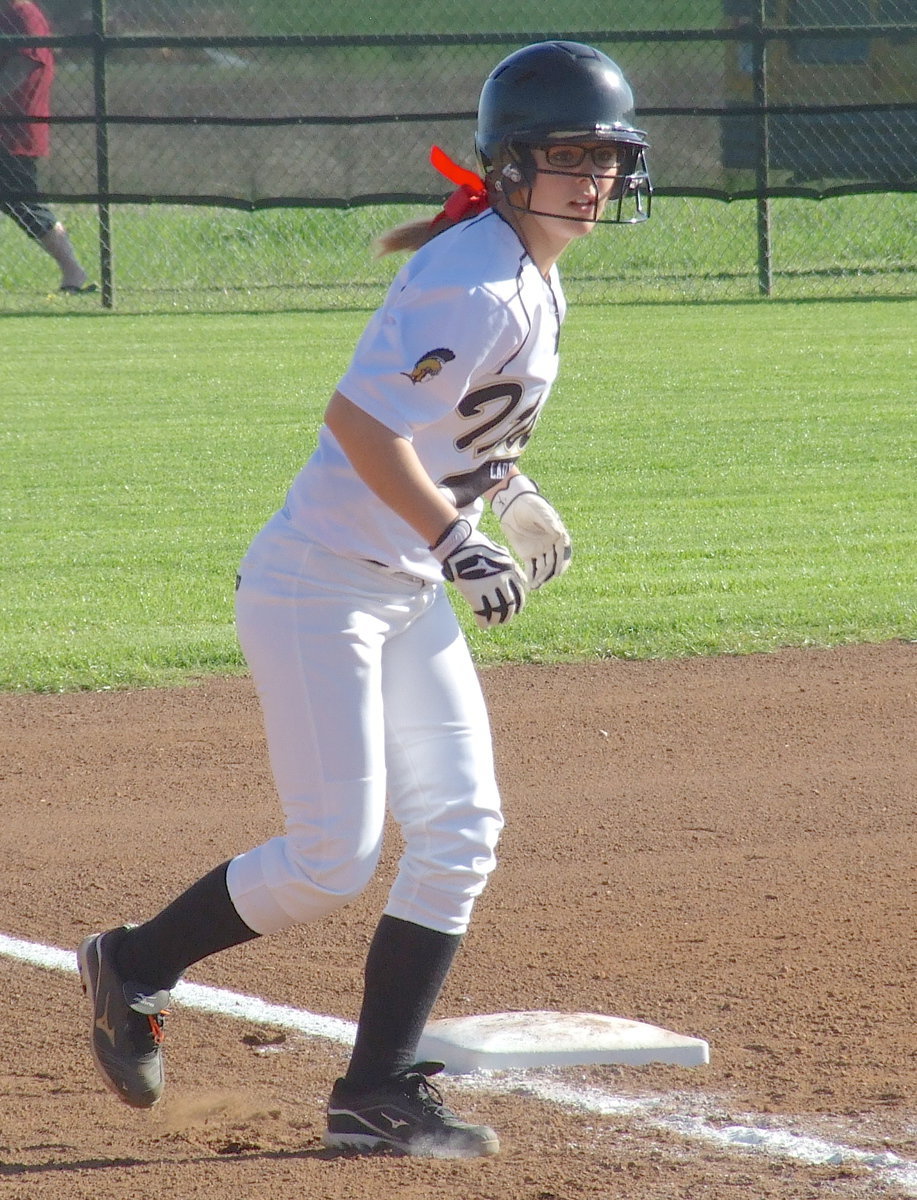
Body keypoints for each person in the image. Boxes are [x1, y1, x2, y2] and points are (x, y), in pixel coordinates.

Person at [76, 40, 652, 1158]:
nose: (592, 179)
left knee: (461, 828)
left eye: (609, 158)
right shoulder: (474, 276)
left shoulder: (530, 274)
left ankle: (376, 1088)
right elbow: (358, 422)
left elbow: (461, 432)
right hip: (320, 590)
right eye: (567, 156)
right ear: (507, 165)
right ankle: (135, 963)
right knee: (329, 859)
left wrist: (515, 499)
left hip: (396, 587)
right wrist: (455, 538)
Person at [0, 0, 95, 292]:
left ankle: (74, 272)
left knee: (23, 203)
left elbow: (24, 63)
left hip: (12, 129)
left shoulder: (21, 12)